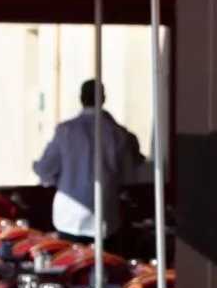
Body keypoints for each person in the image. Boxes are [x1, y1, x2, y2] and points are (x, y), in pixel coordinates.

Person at [34, 80, 143, 240]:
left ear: (81, 98)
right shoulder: (118, 133)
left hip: (69, 215)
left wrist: (62, 179)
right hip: (105, 215)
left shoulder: (66, 130)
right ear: (104, 98)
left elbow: (45, 169)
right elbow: (128, 175)